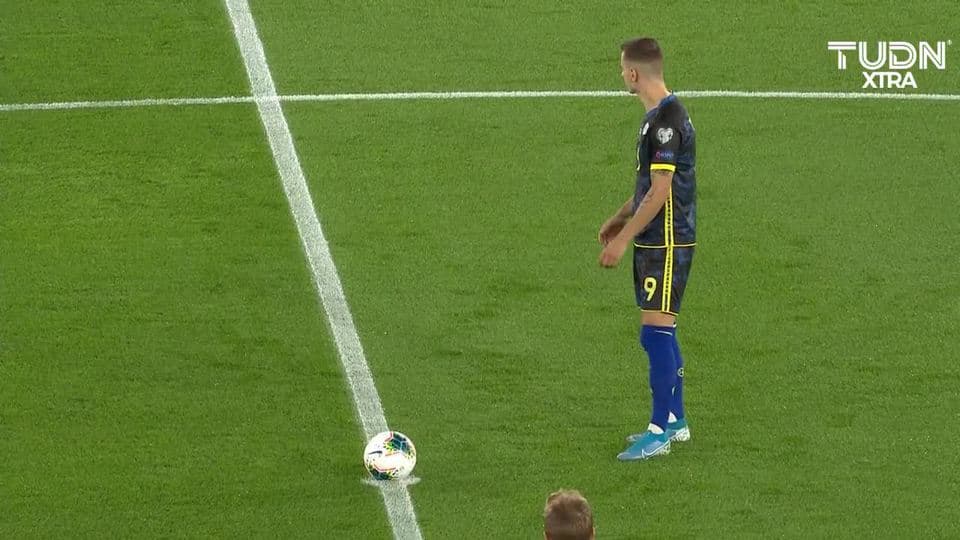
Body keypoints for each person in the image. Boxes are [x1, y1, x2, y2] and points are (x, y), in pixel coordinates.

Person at [597, 37, 697, 461]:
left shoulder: (665, 122)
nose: (622, 75)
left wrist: (621, 241)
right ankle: (676, 420)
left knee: (655, 332)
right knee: (661, 331)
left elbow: (659, 192)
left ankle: (657, 431)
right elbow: (646, 188)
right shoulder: (657, 117)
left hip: (667, 240)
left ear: (635, 73)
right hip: (657, 237)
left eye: (623, 69)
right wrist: (619, 218)